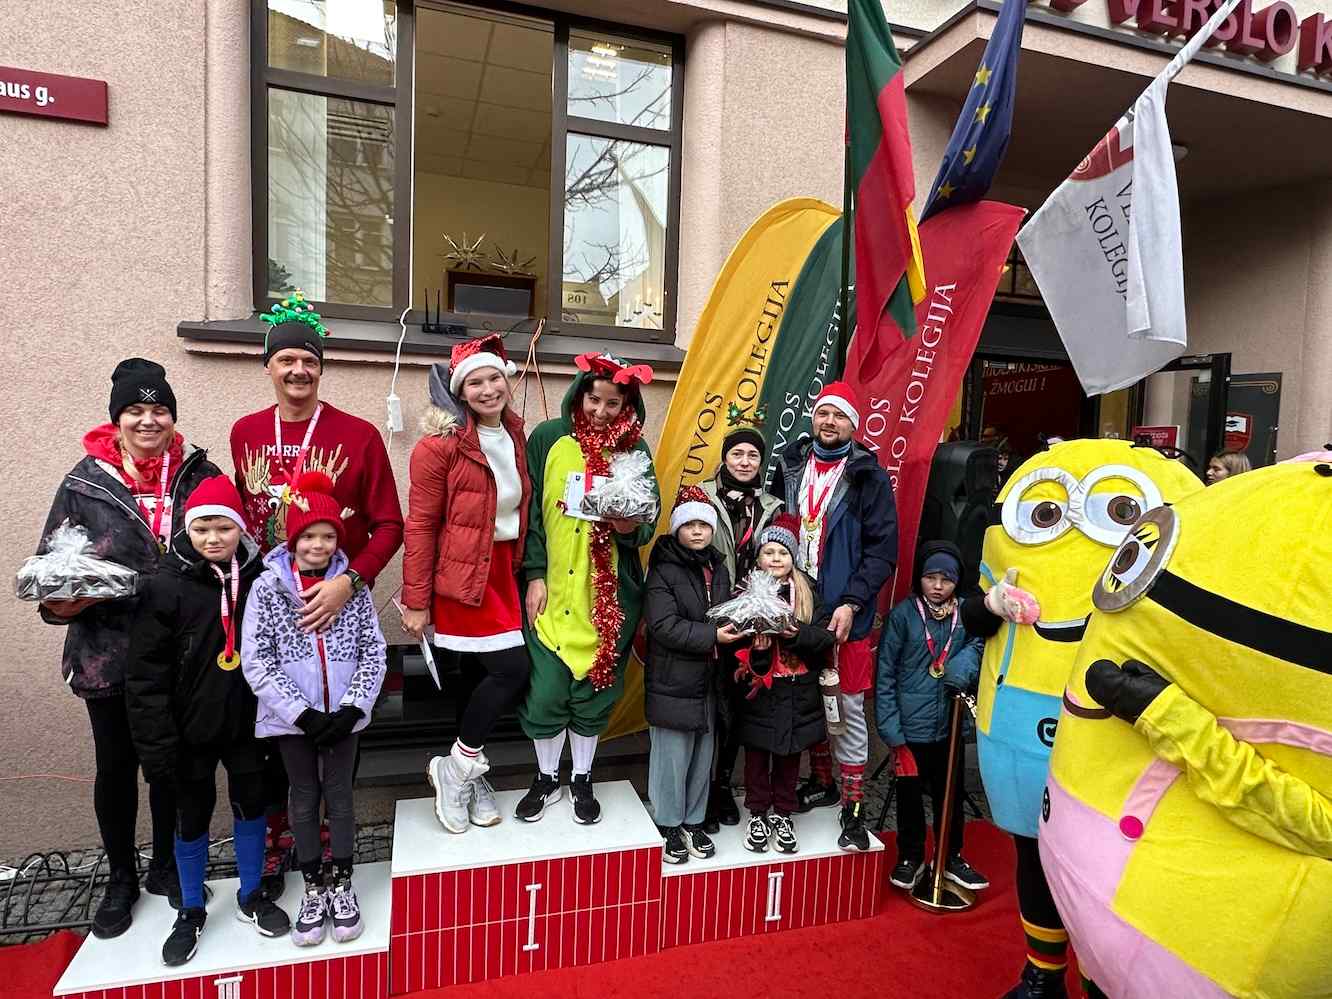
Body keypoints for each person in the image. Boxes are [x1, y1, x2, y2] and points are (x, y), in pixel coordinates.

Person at [36, 358, 222, 939]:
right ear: (117, 419)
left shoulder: (198, 474)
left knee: (172, 766)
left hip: (180, 654)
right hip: (107, 653)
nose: (148, 421)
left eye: (159, 410)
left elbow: (226, 546)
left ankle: (166, 865)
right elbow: (49, 573)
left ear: (173, 417)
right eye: (135, 411)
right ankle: (121, 878)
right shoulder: (84, 482)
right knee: (116, 768)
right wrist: (60, 604)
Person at [230, 294, 402, 893]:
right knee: (279, 742)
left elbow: (390, 524)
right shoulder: (246, 432)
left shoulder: (358, 435)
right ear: (268, 367)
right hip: (272, 609)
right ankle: (285, 845)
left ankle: (336, 851)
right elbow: (243, 519)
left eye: (309, 360)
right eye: (287, 360)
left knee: (335, 748)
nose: (298, 370)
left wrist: (349, 583)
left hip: (338, 611)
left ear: (322, 368)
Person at [126, 476, 290, 966]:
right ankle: (191, 908)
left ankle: (251, 894)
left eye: (224, 528)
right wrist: (156, 743)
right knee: (192, 815)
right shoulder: (164, 585)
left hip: (247, 723)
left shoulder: (261, 577)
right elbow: (145, 673)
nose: (213, 539)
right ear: (187, 530)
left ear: (241, 529)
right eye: (202, 529)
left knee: (251, 806)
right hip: (188, 730)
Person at [241, 472, 388, 947]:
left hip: (343, 719)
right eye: (309, 536)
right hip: (293, 723)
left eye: (328, 536)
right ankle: (312, 887)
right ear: (293, 538)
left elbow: (373, 650)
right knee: (303, 798)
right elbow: (257, 659)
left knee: (339, 797)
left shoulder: (353, 589)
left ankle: (342, 884)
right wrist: (300, 714)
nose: (318, 545)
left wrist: (352, 708)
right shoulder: (267, 589)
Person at [516, 352, 659, 825]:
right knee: (546, 692)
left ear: (626, 405)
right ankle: (545, 777)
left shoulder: (635, 451)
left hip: (607, 597)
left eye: (612, 404)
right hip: (553, 590)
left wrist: (628, 527)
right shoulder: (548, 439)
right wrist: (534, 573)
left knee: (595, 691)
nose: (600, 411)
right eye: (593, 399)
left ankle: (581, 776)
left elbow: (648, 517)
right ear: (579, 394)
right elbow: (529, 515)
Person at [400, 336, 532, 835]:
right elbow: (420, 524)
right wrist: (416, 601)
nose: (488, 388)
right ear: (460, 391)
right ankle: (456, 769)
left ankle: (467, 774)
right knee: (511, 670)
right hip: (462, 575)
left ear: (507, 380)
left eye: (494, 377)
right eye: (475, 382)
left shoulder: (515, 434)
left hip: (504, 571)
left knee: (480, 678)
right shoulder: (439, 447)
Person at [769, 382, 898, 852]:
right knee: (804, 696)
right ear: (814, 417)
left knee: (847, 707)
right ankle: (822, 781)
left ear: (853, 425)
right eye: (823, 413)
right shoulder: (789, 465)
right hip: (795, 606)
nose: (829, 422)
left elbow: (882, 552)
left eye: (839, 416)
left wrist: (852, 602)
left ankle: (854, 806)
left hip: (846, 613)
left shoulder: (868, 476)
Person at [875, 542, 987, 893]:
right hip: (910, 727)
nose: (938, 586)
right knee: (909, 795)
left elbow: (982, 642)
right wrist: (892, 732)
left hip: (950, 722)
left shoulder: (966, 614)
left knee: (950, 794)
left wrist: (962, 666)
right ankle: (910, 856)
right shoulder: (903, 616)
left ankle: (950, 856)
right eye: (931, 577)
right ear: (919, 578)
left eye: (946, 580)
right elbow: (885, 675)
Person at [643, 486, 742, 864]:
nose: (698, 531)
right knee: (672, 756)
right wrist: (712, 636)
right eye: (689, 525)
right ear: (677, 529)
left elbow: (723, 612)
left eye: (704, 524)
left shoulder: (718, 566)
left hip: (709, 679)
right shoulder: (664, 568)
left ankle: (693, 820)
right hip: (674, 679)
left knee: (703, 755)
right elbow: (663, 625)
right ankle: (668, 824)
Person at [732, 514, 834, 855]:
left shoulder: (808, 592)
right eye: (769, 552)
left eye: (783, 553)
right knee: (757, 754)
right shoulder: (745, 591)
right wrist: (759, 652)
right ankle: (757, 813)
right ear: (759, 557)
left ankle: (783, 813)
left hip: (798, 689)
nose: (776, 559)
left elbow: (825, 637)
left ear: (793, 558)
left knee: (790, 756)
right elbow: (734, 644)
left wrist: (796, 635)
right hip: (761, 689)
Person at [699, 420, 783, 830]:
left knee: (737, 709)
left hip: (753, 622)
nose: (745, 461)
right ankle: (702, 791)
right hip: (711, 615)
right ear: (725, 458)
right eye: (737, 453)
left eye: (753, 455)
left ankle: (722, 788)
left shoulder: (771, 506)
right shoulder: (702, 496)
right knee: (710, 708)